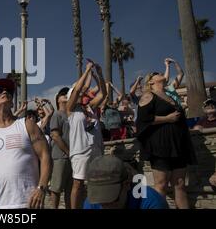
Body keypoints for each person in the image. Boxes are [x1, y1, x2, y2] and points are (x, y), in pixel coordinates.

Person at [0, 78, 51, 209]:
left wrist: (41, 188)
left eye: (8, 91)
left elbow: (45, 156)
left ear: (12, 103)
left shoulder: (27, 125)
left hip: (27, 203)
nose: (5, 91)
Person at [136, 72, 197, 209]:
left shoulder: (169, 95)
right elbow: (143, 120)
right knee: (161, 185)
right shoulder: (148, 95)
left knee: (180, 184)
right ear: (150, 82)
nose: (159, 73)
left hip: (177, 145)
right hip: (160, 145)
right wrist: (167, 119)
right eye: (155, 74)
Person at [67, 61, 106, 209]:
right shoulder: (70, 110)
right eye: (78, 94)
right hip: (80, 152)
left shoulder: (89, 107)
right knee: (78, 183)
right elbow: (77, 89)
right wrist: (87, 69)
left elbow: (103, 93)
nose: (82, 94)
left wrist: (99, 75)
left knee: (97, 182)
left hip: (96, 150)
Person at [83, 155, 169, 209]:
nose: (106, 206)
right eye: (100, 200)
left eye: (112, 199)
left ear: (127, 184)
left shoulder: (152, 202)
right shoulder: (91, 203)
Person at [49, 87, 73, 209]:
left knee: (70, 189)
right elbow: (55, 135)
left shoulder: (71, 115)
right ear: (58, 99)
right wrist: (67, 152)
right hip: (60, 156)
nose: (66, 96)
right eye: (63, 94)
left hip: (72, 157)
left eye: (67, 94)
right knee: (56, 188)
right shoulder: (57, 115)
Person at [193, 99, 216, 187]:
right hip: (205, 153)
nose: (210, 107)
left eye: (212, 105)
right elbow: (195, 129)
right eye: (207, 105)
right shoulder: (202, 120)